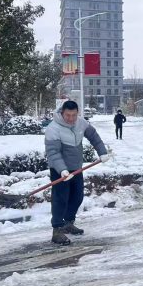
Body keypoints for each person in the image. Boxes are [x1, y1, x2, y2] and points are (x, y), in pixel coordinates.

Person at [45, 100, 110, 245]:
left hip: (76, 168)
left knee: (77, 197)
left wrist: (102, 152)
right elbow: (53, 153)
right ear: (62, 113)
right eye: (68, 115)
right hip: (59, 170)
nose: (71, 118)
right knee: (60, 199)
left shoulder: (81, 123)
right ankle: (57, 230)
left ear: (77, 113)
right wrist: (62, 170)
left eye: (74, 115)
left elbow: (94, 137)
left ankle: (68, 223)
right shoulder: (53, 128)